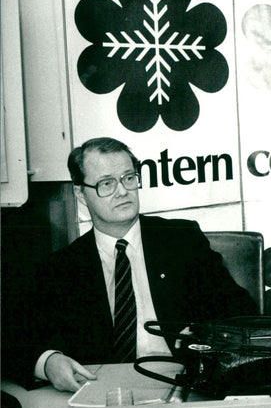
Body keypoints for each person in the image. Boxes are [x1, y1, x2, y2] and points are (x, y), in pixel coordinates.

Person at [11, 137, 257, 392]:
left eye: (129, 178)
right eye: (106, 183)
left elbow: (241, 310)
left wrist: (203, 332)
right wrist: (48, 362)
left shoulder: (181, 240)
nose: (122, 191)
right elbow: (15, 340)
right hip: (99, 393)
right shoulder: (61, 267)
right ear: (80, 194)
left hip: (183, 382)